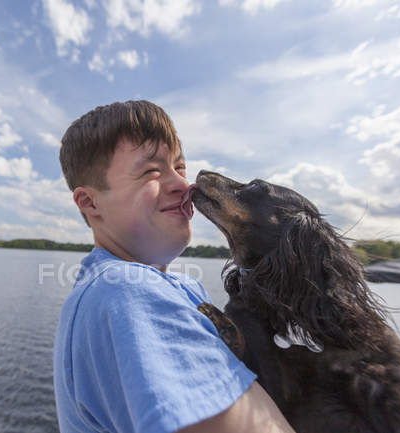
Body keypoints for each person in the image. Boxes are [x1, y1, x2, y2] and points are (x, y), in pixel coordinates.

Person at [53, 100, 295, 433]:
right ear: (91, 202)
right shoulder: (125, 290)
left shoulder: (180, 286)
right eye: (151, 171)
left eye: (179, 167)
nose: (186, 186)